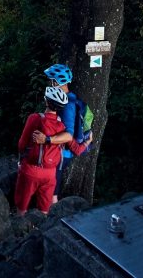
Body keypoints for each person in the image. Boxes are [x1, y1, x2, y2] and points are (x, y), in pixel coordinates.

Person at [34, 63, 94, 203]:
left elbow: (68, 135)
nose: (50, 84)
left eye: (51, 81)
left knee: (52, 192)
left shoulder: (67, 105)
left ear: (56, 82)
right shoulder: (67, 98)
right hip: (59, 152)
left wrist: (46, 139)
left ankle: (52, 214)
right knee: (49, 188)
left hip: (61, 154)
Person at [14, 85, 69, 216]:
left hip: (31, 170)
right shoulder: (61, 125)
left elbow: (21, 144)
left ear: (46, 101)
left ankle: (19, 226)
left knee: (22, 206)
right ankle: (41, 227)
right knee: (44, 210)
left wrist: (21, 161)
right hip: (50, 174)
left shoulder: (35, 118)